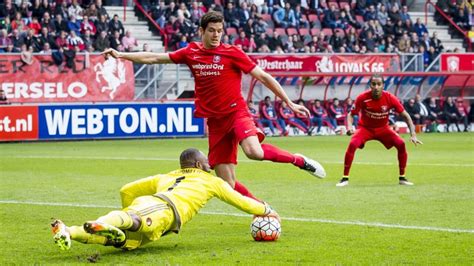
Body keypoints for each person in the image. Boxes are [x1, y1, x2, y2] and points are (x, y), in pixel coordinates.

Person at [102, 11, 326, 202]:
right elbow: (153, 58)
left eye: (219, 30)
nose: (216, 34)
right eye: (211, 30)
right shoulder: (191, 53)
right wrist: (121, 54)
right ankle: (263, 210)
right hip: (216, 122)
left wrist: (288, 102)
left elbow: (263, 76)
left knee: (253, 152)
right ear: (202, 31)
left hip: (236, 112)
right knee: (227, 184)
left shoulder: (232, 53)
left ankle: (299, 160)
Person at [51, 148, 279, 251]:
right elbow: (241, 201)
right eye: (207, 163)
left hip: (153, 207)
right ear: (199, 165)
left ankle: (68, 232)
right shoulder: (212, 182)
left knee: (120, 242)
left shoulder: (166, 176)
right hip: (164, 209)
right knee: (131, 222)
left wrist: (128, 210)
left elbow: (126, 189)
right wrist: (266, 209)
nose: (210, 166)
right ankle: (109, 223)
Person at [337, 74, 423, 187]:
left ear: (383, 86)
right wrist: (349, 128)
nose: (376, 87)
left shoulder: (390, 98)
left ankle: (402, 178)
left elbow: (406, 115)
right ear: (370, 85)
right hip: (365, 129)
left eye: (379, 84)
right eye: (373, 84)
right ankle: (344, 179)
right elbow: (351, 115)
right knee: (353, 144)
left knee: (401, 144)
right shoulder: (362, 97)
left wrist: (413, 134)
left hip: (383, 129)